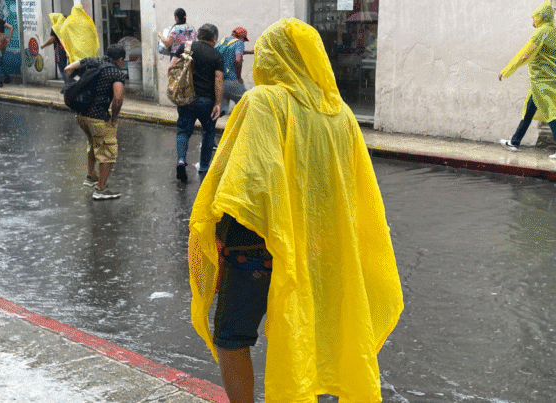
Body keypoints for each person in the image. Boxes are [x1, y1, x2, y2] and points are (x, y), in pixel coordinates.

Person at [188, 18, 404, 402]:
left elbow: (245, 184)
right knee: (304, 333)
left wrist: (214, 232)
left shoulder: (264, 101)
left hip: (257, 245)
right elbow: (353, 193)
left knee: (233, 337)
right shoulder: (342, 116)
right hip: (320, 248)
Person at [498, 1, 556, 159]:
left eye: (535, 18)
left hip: (544, 81)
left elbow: (524, 54)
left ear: (541, 18)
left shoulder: (541, 33)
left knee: (551, 113)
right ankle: (514, 141)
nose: (533, 22)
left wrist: (506, 71)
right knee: (530, 109)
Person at [64, 44, 126, 200]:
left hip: (81, 114)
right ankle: (101, 189)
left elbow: (67, 69)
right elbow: (118, 99)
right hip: (98, 116)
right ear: (119, 59)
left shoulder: (92, 61)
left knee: (93, 142)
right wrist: (114, 117)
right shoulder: (116, 73)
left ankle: (91, 176)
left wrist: (76, 85)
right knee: (107, 151)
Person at [170, 23, 223, 182]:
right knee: (208, 131)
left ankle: (181, 160)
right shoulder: (216, 55)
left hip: (187, 98)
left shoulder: (186, 47)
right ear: (214, 38)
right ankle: (204, 167)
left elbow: (172, 66)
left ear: (199, 35)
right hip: (207, 101)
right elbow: (218, 79)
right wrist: (218, 103)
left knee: (183, 131)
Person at [215, 27, 249, 116]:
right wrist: (239, 77)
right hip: (232, 81)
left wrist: (249, 52)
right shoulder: (240, 43)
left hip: (218, 81)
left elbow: (230, 51)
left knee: (220, 111)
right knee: (247, 104)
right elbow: (238, 60)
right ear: (242, 37)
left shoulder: (222, 41)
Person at [41, 17, 70, 84]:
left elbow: (51, 40)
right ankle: (70, 84)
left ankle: (68, 85)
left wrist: (43, 46)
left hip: (59, 50)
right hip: (68, 49)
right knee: (68, 68)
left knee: (63, 69)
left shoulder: (55, 27)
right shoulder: (66, 26)